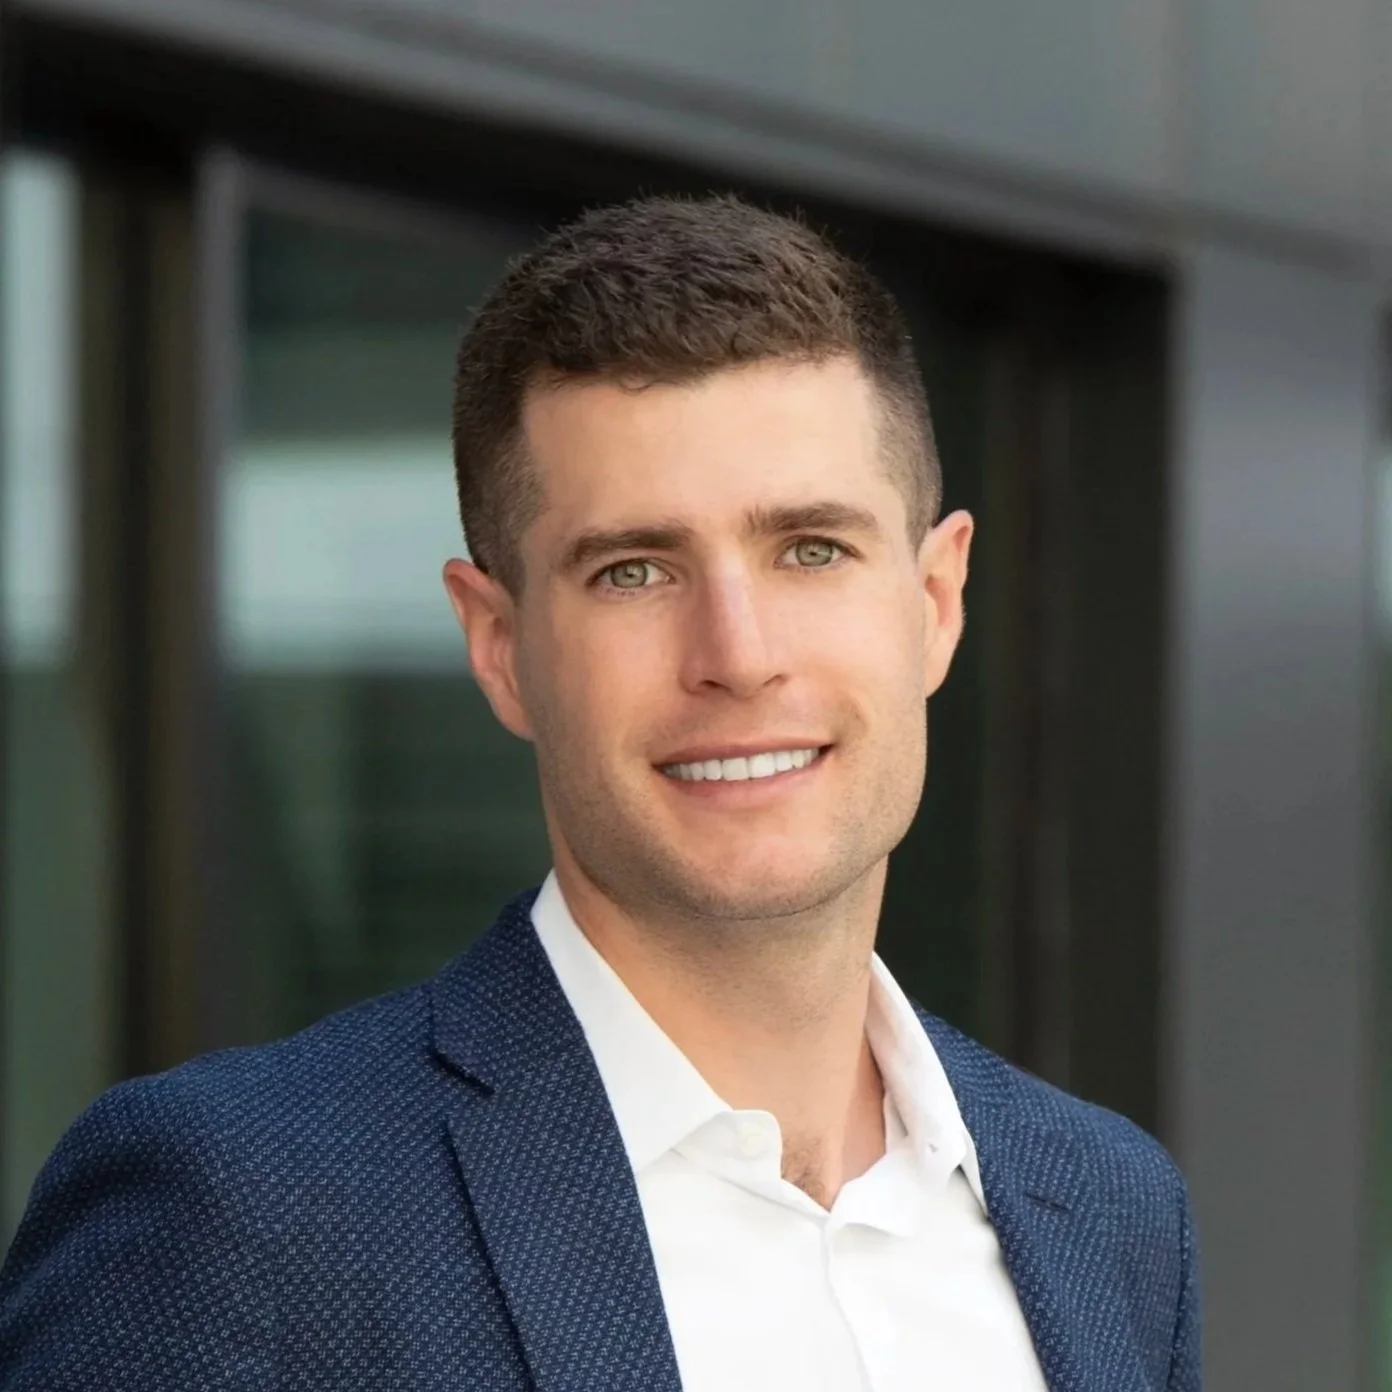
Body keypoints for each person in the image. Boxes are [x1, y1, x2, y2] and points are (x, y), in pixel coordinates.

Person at [0, 195, 1198, 1391]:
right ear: (500, 645)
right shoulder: (245, 1210)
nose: (737, 651)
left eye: (812, 550)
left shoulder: (1109, 1212)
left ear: (935, 603)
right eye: (634, 570)